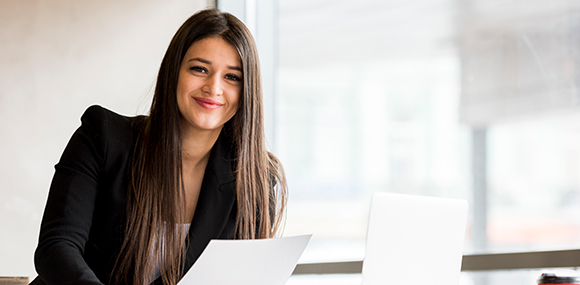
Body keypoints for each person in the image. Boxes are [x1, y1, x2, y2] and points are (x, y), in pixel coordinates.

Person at [31, 8, 287, 285]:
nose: (214, 88)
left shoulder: (256, 179)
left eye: (232, 77)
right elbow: (56, 248)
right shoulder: (101, 137)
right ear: (173, 72)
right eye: (199, 69)